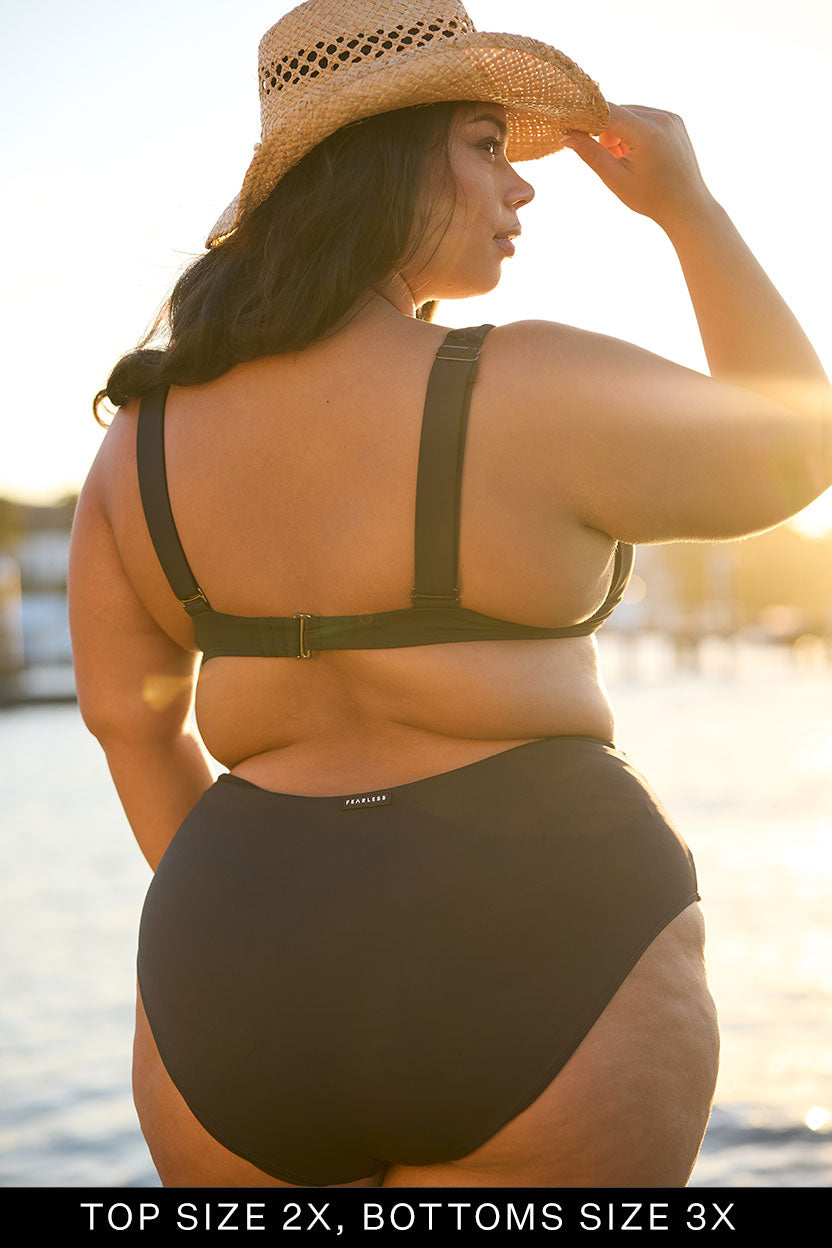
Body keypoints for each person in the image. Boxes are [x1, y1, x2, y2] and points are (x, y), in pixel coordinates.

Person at [68, 0, 831, 1189]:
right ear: (380, 164)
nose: (520, 189)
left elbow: (128, 723)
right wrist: (687, 206)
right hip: (538, 928)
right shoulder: (524, 382)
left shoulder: (140, 446)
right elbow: (795, 448)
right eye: (484, 145)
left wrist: (271, 932)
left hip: (238, 963)